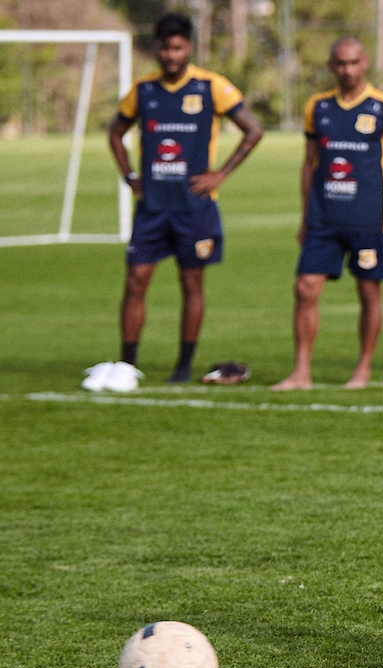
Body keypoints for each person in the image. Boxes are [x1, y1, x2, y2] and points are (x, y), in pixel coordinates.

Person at [94, 12, 262, 391]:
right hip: (152, 206)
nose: (171, 55)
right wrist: (130, 176)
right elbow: (115, 132)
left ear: (189, 47)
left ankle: (183, 364)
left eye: (178, 47)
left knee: (192, 284)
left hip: (194, 208)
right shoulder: (143, 91)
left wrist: (222, 173)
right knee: (136, 280)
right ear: (156, 48)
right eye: (165, 48)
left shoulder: (210, 87)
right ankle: (127, 364)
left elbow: (253, 129)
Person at [271, 37, 383, 391]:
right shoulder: (317, 107)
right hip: (324, 217)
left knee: (368, 292)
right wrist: (305, 215)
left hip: (368, 217)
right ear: (331, 66)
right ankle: (301, 372)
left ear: (365, 63)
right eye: (340, 64)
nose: (347, 70)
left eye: (353, 63)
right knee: (305, 288)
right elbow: (309, 163)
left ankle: (362, 369)